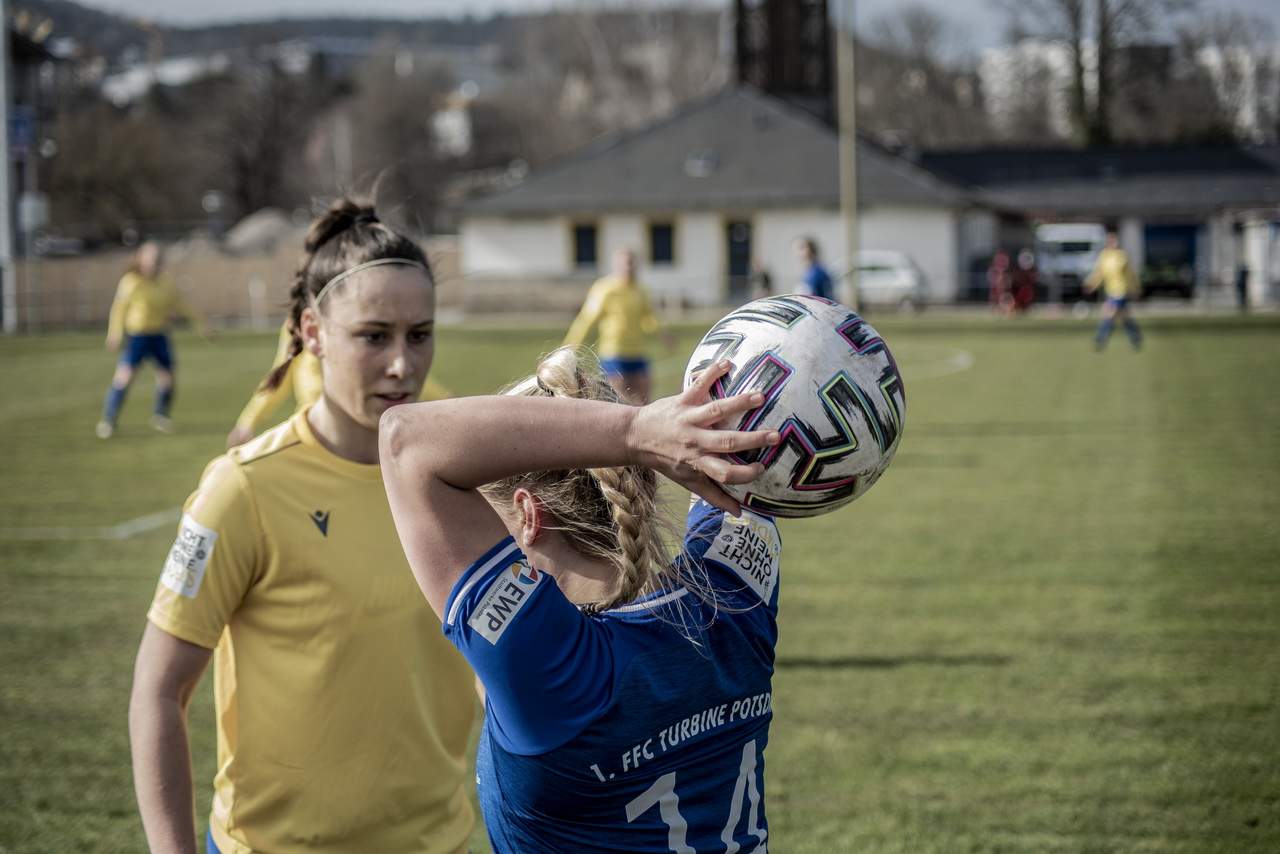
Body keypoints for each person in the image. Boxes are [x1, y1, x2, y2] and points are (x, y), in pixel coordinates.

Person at [129, 199, 477, 854]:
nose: (403, 365)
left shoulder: (464, 477)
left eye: (420, 334)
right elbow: (157, 691)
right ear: (313, 333)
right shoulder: (243, 491)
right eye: (374, 337)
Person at [380, 346, 785, 852]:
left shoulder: (550, 676)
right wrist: (642, 435)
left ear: (527, 514)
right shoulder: (735, 598)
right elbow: (749, 462)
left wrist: (635, 434)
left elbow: (405, 439)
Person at [226, 320, 452, 448]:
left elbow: (399, 371)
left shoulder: (361, 319)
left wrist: (446, 400)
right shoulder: (295, 326)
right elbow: (280, 376)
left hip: (368, 436)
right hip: (314, 437)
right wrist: (248, 421)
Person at [96, 241, 204, 438]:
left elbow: (181, 305)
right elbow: (119, 309)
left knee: (167, 379)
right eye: (150, 258)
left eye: (157, 258)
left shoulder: (165, 281)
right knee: (124, 378)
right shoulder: (131, 281)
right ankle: (108, 420)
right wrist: (114, 334)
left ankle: (160, 416)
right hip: (137, 337)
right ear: (141, 259)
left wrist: (201, 325)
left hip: (159, 336)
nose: (154, 262)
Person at [563, 247, 663, 404]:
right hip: (614, 352)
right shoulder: (605, 289)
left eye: (633, 263)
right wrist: (571, 345)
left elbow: (648, 317)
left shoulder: (641, 290)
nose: (630, 267)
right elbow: (587, 319)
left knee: (645, 399)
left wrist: (662, 334)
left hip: (638, 351)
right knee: (619, 399)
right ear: (616, 265)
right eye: (626, 263)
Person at [1084, 228, 1143, 351]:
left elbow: (1130, 275)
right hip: (1110, 291)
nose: (1112, 242)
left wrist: (1135, 288)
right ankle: (1136, 337)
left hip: (1121, 291)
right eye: (1110, 240)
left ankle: (1100, 339)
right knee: (1124, 317)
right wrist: (1092, 284)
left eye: (1114, 240)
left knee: (1109, 314)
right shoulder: (1104, 256)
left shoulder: (1122, 256)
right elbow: (1099, 273)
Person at [987, 248, 1013, 315]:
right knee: (995, 295)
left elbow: (1004, 268)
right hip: (998, 280)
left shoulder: (1002, 258)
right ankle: (997, 309)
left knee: (1003, 295)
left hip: (1001, 279)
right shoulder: (998, 259)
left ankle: (1004, 309)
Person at [1011, 248, 1038, 313]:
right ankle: (1019, 307)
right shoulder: (1019, 271)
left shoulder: (1030, 270)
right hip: (1022, 288)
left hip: (1027, 288)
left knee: (1028, 295)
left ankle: (1025, 307)